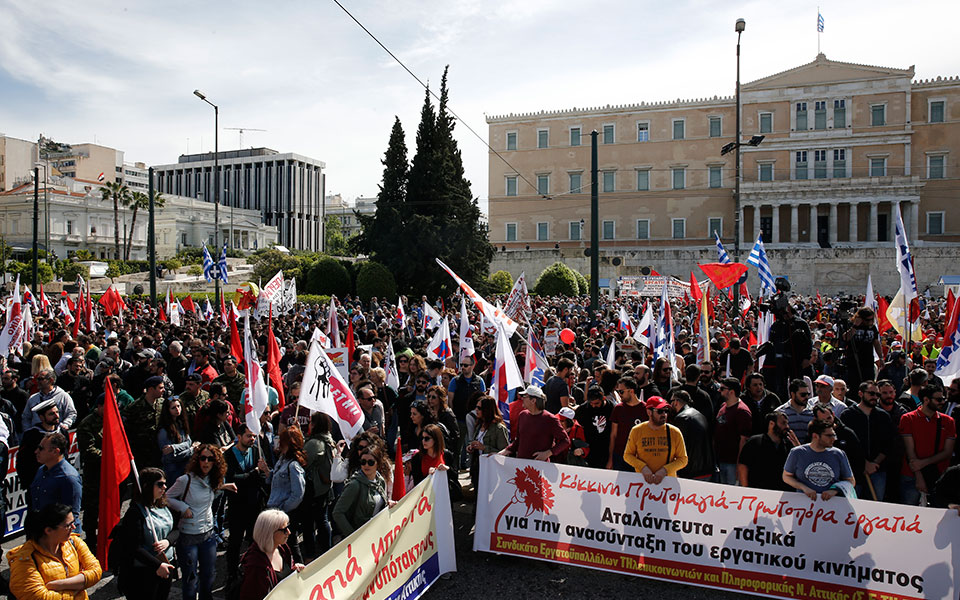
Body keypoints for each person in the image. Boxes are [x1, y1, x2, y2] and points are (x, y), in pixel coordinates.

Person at [166, 444, 237, 600]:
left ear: (215, 462)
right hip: (188, 537)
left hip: (208, 536)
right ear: (197, 460)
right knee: (190, 580)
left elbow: (210, 491)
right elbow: (167, 496)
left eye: (210, 459)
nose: (206, 462)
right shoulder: (185, 480)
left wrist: (224, 486)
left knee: (208, 577)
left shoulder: (213, 479)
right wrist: (183, 507)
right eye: (202, 458)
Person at [7, 503, 102, 600]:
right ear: (48, 530)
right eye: (68, 525)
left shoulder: (74, 542)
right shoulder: (24, 560)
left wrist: (61, 585)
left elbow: (96, 571)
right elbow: (38, 597)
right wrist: (77, 591)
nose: (74, 527)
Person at [120, 467, 177, 600]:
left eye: (165, 483)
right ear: (146, 486)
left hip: (166, 566)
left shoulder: (162, 505)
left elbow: (176, 529)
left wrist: (167, 541)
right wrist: (158, 565)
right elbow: (134, 547)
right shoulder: (135, 512)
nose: (164, 487)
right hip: (144, 572)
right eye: (160, 484)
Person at [224, 423, 270, 579]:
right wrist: (253, 474)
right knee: (235, 541)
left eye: (254, 436)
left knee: (254, 540)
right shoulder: (229, 455)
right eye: (249, 436)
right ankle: (231, 574)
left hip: (255, 504)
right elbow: (231, 479)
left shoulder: (257, 450)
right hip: (237, 506)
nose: (252, 439)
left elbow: (263, 475)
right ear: (239, 437)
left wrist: (258, 473)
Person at [899, 385, 957, 505]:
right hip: (911, 475)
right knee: (910, 514)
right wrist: (919, 476)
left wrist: (923, 463)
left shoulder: (948, 421)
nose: (942, 402)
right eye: (939, 399)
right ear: (926, 400)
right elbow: (910, 451)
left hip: (939, 476)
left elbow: (948, 452)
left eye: (943, 399)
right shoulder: (908, 418)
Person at [839, 381, 896, 501]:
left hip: (877, 470)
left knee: (876, 507)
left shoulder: (883, 416)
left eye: (877, 395)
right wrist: (864, 463)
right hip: (854, 471)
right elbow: (845, 445)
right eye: (871, 393)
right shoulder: (847, 415)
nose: (875, 397)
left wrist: (874, 464)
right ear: (860, 393)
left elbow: (889, 443)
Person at [236, 509, 305, 600]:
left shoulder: (282, 549)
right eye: (284, 530)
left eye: (288, 527)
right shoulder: (255, 565)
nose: (289, 532)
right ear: (269, 533)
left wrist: (294, 570)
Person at [783, 419, 855, 501]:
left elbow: (850, 481)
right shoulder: (797, 452)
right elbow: (786, 476)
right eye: (829, 436)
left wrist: (834, 490)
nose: (834, 439)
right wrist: (804, 488)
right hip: (803, 505)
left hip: (832, 506)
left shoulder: (838, 454)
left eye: (834, 435)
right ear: (815, 436)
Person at [623, 396, 688, 482]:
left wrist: (665, 470)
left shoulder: (674, 432)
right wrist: (643, 467)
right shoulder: (636, 431)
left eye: (666, 411)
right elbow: (627, 455)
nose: (664, 415)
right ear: (649, 412)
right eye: (660, 411)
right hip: (643, 483)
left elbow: (683, 459)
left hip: (667, 484)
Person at [266, 426, 307, 563]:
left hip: (285, 513)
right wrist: (267, 472)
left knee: (291, 545)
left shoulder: (294, 465)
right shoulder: (282, 460)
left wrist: (283, 510)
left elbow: (298, 494)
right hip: (275, 509)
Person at [333, 442, 391, 536]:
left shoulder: (380, 481)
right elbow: (337, 513)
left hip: (376, 534)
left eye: (370, 462)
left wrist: (388, 504)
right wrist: (353, 536)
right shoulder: (354, 485)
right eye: (363, 462)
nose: (366, 465)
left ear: (378, 463)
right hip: (361, 538)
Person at [500, 385, 570, 462]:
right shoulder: (522, 415)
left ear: (533, 400)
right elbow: (518, 440)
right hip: (521, 465)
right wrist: (504, 452)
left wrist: (548, 453)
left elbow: (565, 441)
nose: (522, 398)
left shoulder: (550, 419)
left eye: (525, 396)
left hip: (539, 467)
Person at [30, 431, 83, 532]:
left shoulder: (68, 478)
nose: (36, 451)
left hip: (59, 536)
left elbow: (71, 516)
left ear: (55, 451)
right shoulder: (41, 470)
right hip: (42, 532)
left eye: (41, 448)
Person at [302, 412, 336, 559]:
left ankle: (310, 555)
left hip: (314, 488)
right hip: (325, 486)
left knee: (309, 522)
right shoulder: (328, 439)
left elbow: (303, 462)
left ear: (314, 424)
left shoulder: (314, 443)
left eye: (311, 422)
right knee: (323, 518)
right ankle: (327, 550)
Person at [738, 412, 799, 491]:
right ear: (771, 424)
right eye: (783, 423)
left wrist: (798, 446)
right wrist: (745, 488)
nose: (787, 427)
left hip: (783, 493)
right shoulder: (754, 442)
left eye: (787, 423)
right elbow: (743, 466)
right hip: (759, 492)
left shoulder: (789, 445)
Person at [18, 400, 60, 508]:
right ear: (41, 417)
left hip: (58, 483)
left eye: (57, 412)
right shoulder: (31, 435)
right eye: (51, 414)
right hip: (38, 485)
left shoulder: (62, 432)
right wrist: (30, 484)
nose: (56, 416)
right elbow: (22, 461)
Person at [668, 389, 715, 480]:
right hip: (705, 469)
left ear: (676, 402)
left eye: (671, 401)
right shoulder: (699, 415)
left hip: (692, 472)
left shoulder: (682, 418)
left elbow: (678, 448)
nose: (670, 405)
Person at [714, 378, 752, 485]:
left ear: (731, 392)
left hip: (733, 463)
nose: (719, 391)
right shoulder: (723, 406)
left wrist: (739, 466)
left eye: (722, 389)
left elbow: (744, 440)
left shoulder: (742, 412)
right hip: (721, 460)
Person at [123, 375, 166, 469]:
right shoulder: (134, 407)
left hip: (158, 450)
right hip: (141, 452)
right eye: (160, 388)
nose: (164, 390)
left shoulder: (163, 403)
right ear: (151, 389)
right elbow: (126, 430)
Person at [466, 395, 510, 488]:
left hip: (492, 471)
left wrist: (484, 448)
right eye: (476, 407)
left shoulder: (499, 428)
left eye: (479, 408)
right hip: (478, 467)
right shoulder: (479, 425)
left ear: (487, 410)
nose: (476, 410)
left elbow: (504, 452)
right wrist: (471, 447)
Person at [607, 377, 648, 472]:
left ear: (631, 391)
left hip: (639, 458)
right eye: (618, 392)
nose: (619, 395)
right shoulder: (618, 408)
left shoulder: (645, 409)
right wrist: (610, 459)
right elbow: (613, 435)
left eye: (621, 392)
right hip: (620, 456)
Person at [158, 396, 198, 482]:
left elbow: (188, 441)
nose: (177, 409)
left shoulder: (181, 423)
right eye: (173, 407)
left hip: (185, 467)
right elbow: (170, 456)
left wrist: (174, 448)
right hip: (173, 471)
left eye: (178, 406)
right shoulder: (164, 431)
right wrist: (191, 450)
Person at [574, 385, 614, 469]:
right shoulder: (584, 409)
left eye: (596, 403)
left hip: (605, 451)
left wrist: (611, 459)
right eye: (591, 403)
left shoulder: (611, 408)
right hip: (588, 451)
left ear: (603, 398)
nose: (593, 406)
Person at [409, 424, 455, 490]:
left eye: (427, 438)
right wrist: (429, 476)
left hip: (443, 493)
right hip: (426, 495)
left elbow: (454, 477)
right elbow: (417, 483)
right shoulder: (417, 458)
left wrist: (447, 469)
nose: (423, 441)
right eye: (422, 438)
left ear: (436, 439)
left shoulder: (447, 455)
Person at [777, 379, 816, 444]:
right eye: (803, 395)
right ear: (793, 394)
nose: (806, 397)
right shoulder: (780, 412)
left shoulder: (813, 413)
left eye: (808, 394)